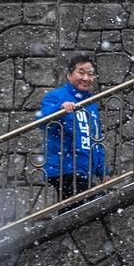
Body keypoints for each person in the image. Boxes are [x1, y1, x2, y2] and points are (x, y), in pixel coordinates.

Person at [38, 53, 105, 202]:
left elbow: (96, 138)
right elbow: (41, 120)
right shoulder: (56, 96)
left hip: (84, 169)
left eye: (90, 74)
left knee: (78, 211)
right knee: (87, 205)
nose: (86, 78)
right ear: (69, 75)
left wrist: (103, 171)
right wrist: (59, 109)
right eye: (81, 72)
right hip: (64, 168)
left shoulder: (91, 104)